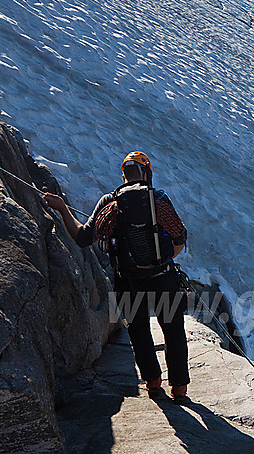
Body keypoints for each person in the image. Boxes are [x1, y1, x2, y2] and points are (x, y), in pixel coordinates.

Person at [44, 151, 190, 403]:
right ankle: (180, 390)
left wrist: (62, 208)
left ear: (123, 175)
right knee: (173, 331)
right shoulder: (159, 199)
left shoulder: (109, 202)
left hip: (129, 280)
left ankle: (153, 384)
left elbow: (82, 238)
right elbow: (179, 236)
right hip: (163, 277)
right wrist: (164, 261)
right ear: (147, 174)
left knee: (139, 330)